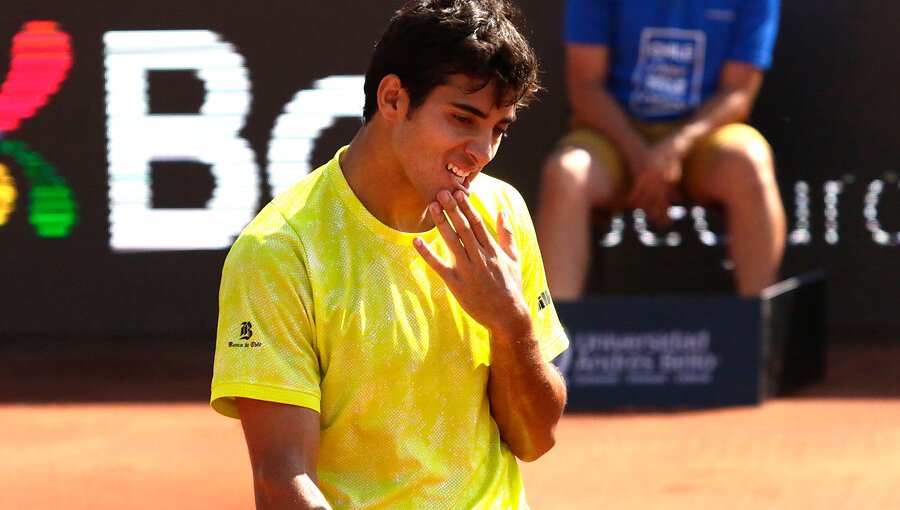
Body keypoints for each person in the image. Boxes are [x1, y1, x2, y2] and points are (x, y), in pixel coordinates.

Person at [209, 0, 569, 507]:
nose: (482, 151)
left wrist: (511, 326)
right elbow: (280, 480)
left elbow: (536, 439)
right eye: (463, 119)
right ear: (394, 98)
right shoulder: (279, 253)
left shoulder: (500, 215)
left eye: (499, 129)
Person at [536, 0, 787, 299]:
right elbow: (586, 86)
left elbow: (738, 92)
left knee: (750, 163)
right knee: (566, 173)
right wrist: (640, 156)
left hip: (705, 136)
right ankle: (549, 341)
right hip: (612, 135)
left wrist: (676, 147)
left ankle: (762, 332)